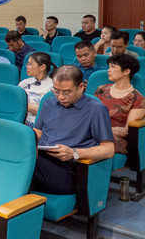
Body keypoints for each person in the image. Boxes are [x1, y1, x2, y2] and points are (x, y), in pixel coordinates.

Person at [31, 65, 114, 195]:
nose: (60, 97)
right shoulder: (49, 103)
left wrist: (74, 153)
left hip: (68, 168)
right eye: (56, 91)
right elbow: (37, 133)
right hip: (42, 159)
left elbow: (108, 150)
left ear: (80, 87)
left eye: (67, 92)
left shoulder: (96, 109)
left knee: (21, 168)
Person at [94, 54, 145, 154]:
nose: (108, 70)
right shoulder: (101, 89)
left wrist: (99, 131)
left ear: (126, 71)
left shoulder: (138, 99)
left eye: (113, 67)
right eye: (109, 67)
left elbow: (127, 131)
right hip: (94, 132)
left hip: (114, 139)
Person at [18, 52, 55, 127]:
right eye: (27, 64)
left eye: (30, 64)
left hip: (42, 126)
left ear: (42, 67)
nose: (27, 67)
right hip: (20, 122)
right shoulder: (24, 83)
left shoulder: (53, 86)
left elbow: (50, 112)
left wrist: (26, 106)